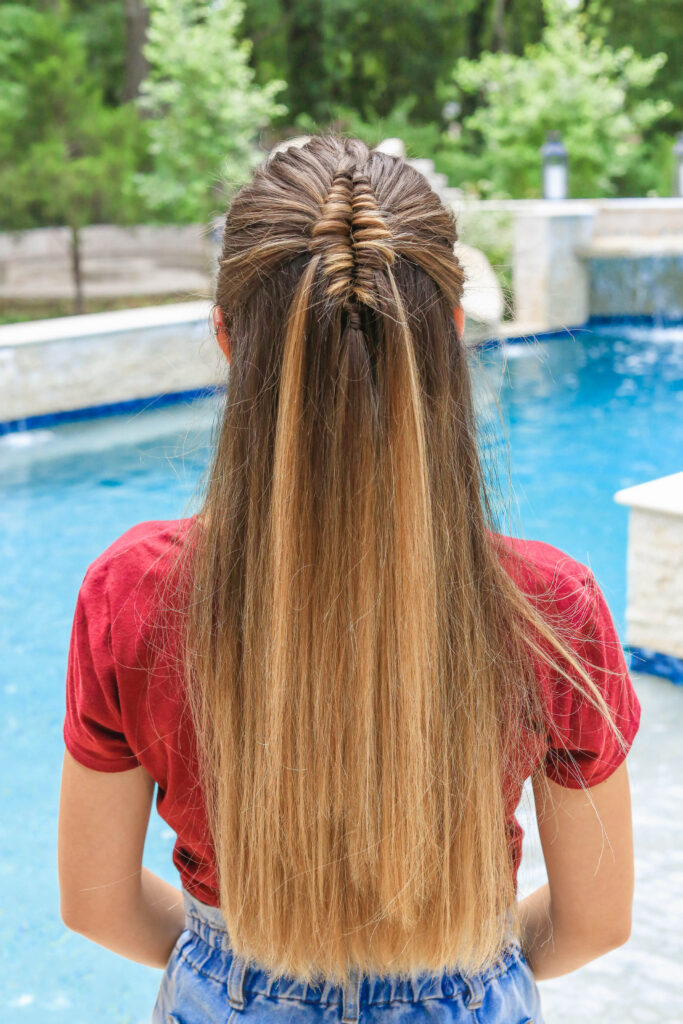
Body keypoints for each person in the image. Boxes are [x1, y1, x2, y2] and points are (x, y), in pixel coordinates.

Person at [58, 133, 641, 1024]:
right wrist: (460, 965)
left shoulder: (132, 591)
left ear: (226, 337)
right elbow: (594, 924)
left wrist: (245, 965)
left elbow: (94, 903)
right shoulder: (548, 607)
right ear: (450, 332)